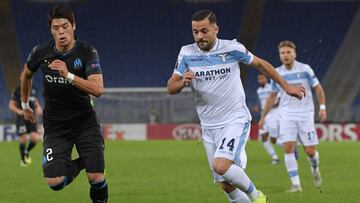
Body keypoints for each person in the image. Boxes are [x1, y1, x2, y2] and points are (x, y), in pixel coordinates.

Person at [167, 10, 305, 203]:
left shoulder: (232, 48)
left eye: (204, 31)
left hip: (234, 119)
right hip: (208, 127)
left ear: (216, 29)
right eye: (195, 32)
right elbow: (170, 86)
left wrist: (287, 86)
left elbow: (260, 64)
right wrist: (182, 82)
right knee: (225, 184)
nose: (199, 36)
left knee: (221, 166)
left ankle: (258, 197)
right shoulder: (187, 53)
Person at [20, 5, 108, 203]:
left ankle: (93, 163)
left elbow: (98, 89)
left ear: (73, 26)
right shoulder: (40, 52)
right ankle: (88, 159)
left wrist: (68, 75)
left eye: (65, 26)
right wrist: (25, 105)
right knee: (55, 182)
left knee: (96, 178)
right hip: (56, 126)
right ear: (51, 30)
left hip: (84, 122)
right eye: (56, 28)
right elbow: (25, 74)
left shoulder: (86, 51)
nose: (60, 32)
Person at [259, 40, 326, 193]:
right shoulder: (277, 72)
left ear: (294, 54)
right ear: (279, 55)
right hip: (286, 114)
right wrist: (263, 117)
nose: (286, 55)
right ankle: (296, 185)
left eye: (288, 52)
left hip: (305, 114)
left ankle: (314, 167)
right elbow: (272, 96)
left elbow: (318, 88)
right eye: (283, 53)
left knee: (310, 151)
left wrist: (322, 107)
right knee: (288, 147)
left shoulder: (305, 69)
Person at [9, 85, 42, 166]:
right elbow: (11, 105)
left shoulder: (33, 89)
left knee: (34, 138)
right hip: (21, 118)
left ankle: (26, 151)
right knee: (23, 138)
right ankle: (23, 159)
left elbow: (36, 102)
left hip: (31, 118)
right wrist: (18, 111)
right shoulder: (17, 90)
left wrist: (38, 108)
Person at [256, 74, 280, 164]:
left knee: (273, 139)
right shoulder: (258, 91)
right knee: (263, 137)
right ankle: (275, 157)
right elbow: (262, 103)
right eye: (259, 79)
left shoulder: (271, 87)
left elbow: (277, 101)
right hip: (264, 114)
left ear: (266, 79)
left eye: (262, 78)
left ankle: (290, 146)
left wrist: (270, 106)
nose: (260, 80)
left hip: (273, 114)